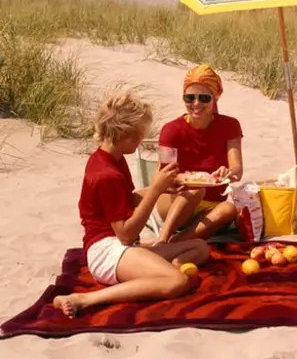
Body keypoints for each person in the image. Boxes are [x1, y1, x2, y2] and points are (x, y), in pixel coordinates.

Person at [53, 92, 210, 318]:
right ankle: (84, 299)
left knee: (199, 248)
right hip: (106, 251)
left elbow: (128, 200)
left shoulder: (112, 158)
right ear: (124, 135)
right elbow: (126, 234)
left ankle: (157, 272)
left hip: (124, 245)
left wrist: (165, 188)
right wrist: (155, 190)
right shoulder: (106, 174)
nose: (139, 143)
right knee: (177, 281)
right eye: (138, 138)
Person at [155, 64, 242, 242]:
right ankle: (163, 238)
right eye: (189, 98)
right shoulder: (171, 130)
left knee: (229, 210)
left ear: (214, 98)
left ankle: (175, 242)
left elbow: (237, 170)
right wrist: (184, 179)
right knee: (195, 191)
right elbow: (162, 174)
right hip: (176, 200)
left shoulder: (230, 126)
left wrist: (227, 172)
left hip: (211, 206)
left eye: (203, 98)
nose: (196, 104)